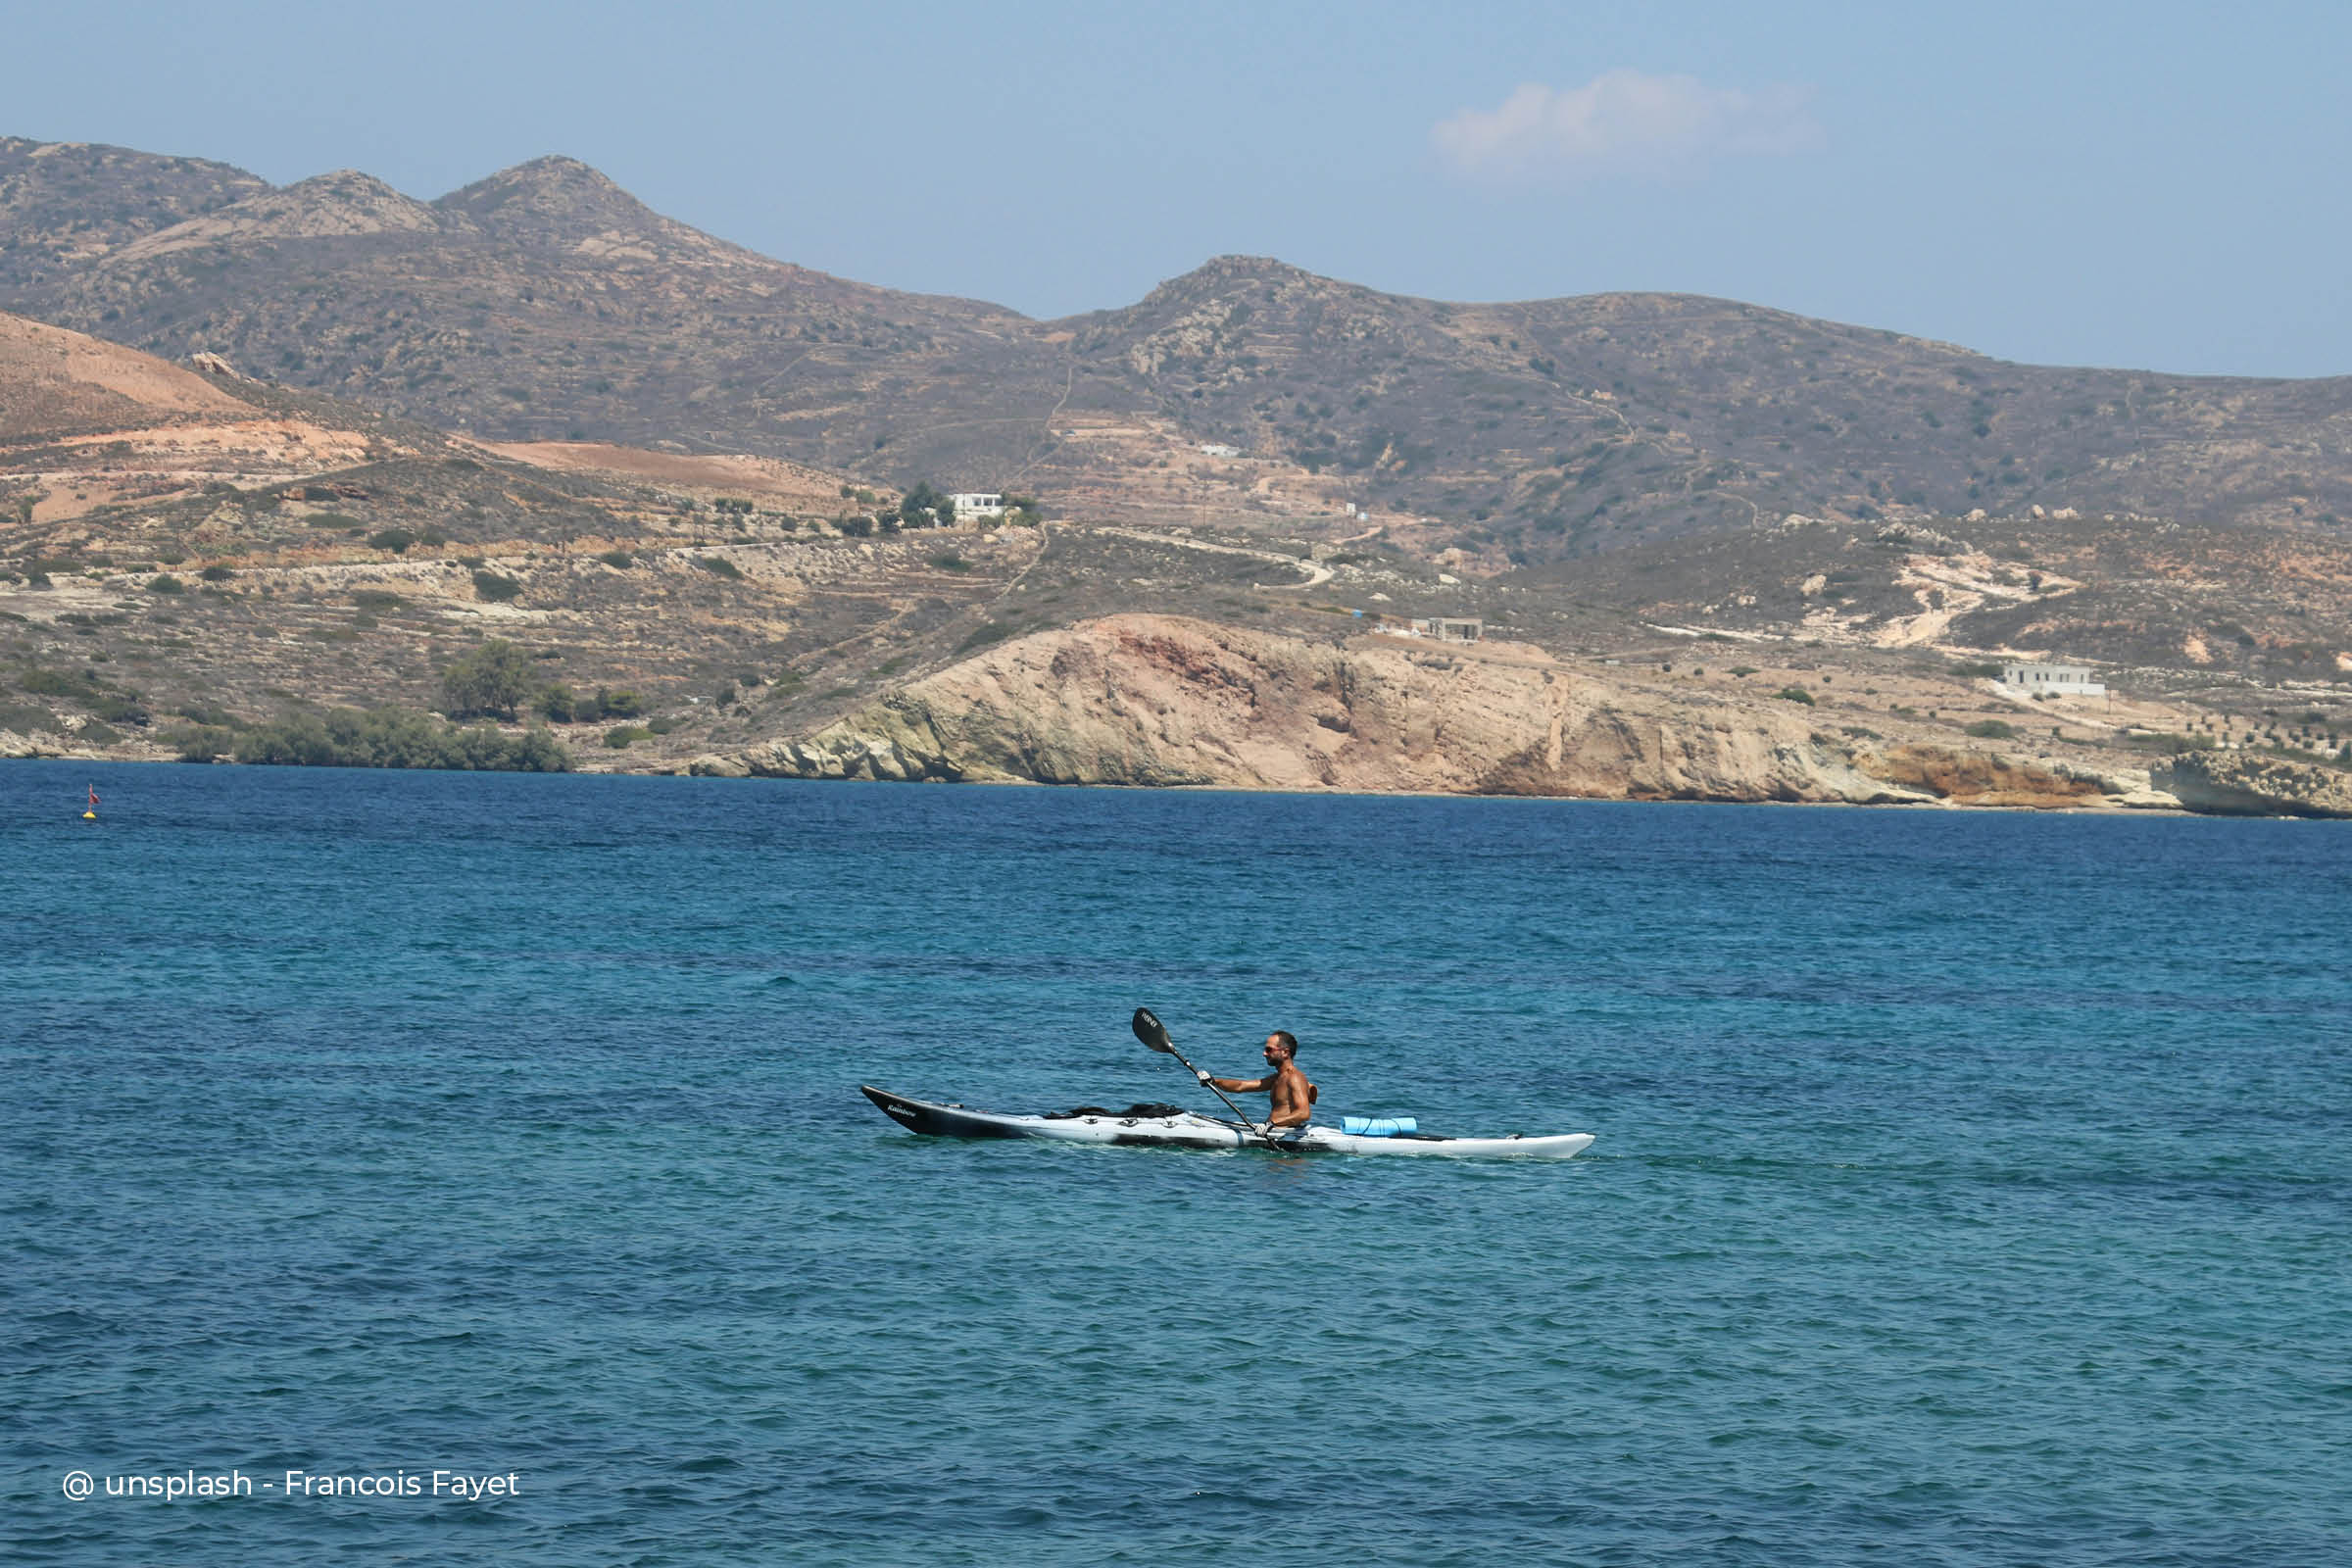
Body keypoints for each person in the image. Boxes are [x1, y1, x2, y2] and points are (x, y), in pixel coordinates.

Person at [1200, 1031, 1317, 1130]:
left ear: (1285, 1052)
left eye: (1269, 1050)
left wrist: (1272, 1124)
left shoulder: (1295, 1078)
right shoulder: (1278, 1078)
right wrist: (1213, 1081)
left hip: (1283, 1134)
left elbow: (1304, 1113)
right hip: (1271, 1130)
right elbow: (1241, 1086)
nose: (1264, 1054)